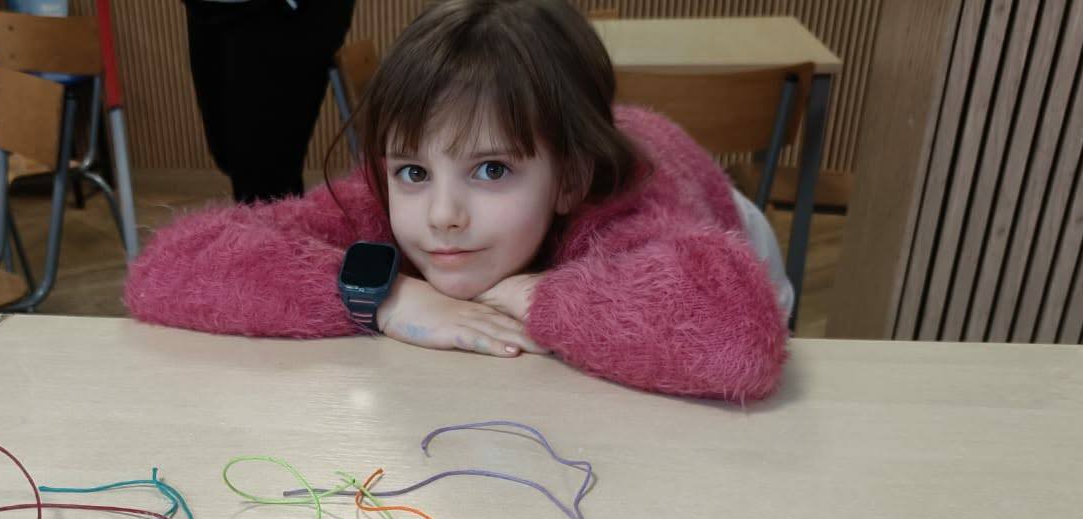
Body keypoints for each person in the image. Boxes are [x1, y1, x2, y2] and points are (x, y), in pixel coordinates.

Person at [127, 0, 788, 403]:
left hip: (729, 238)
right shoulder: (385, 198)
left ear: (569, 180)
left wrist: (542, 296)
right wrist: (379, 295)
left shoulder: (622, 204)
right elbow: (166, 265)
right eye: (413, 171)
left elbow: (737, 337)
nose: (443, 214)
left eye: (492, 169)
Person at [182, 0, 355, 204]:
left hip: (283, 14)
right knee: (228, 153)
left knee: (263, 169)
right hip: (208, 10)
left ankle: (274, 220)